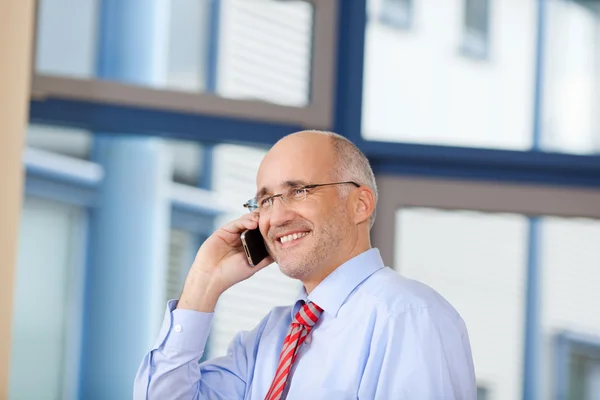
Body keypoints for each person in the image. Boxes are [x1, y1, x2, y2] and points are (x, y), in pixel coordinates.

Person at [133, 131, 476, 399]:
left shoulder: (408, 317)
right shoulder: (271, 335)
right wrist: (202, 285)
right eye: (266, 200)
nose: (277, 216)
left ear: (360, 204)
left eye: (300, 191)